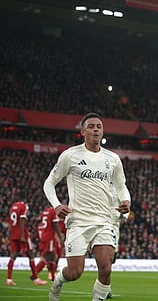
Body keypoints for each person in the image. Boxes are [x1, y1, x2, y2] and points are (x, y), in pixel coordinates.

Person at [43, 112, 132, 301]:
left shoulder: (113, 159)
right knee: (75, 272)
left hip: (104, 220)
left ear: (102, 131)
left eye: (99, 126)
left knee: (106, 268)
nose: (95, 129)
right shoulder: (70, 155)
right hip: (79, 221)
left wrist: (126, 202)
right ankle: (58, 283)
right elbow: (49, 183)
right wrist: (57, 206)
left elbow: (121, 186)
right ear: (83, 131)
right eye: (91, 126)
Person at [6, 193, 48, 286]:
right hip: (22, 234)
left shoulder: (13, 207)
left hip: (13, 234)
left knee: (13, 256)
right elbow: (22, 220)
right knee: (31, 254)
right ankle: (36, 278)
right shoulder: (24, 206)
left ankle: (9, 279)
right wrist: (22, 235)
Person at [36, 206, 64, 281]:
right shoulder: (53, 212)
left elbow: (39, 222)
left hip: (44, 238)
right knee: (49, 257)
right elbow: (55, 225)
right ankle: (35, 275)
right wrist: (60, 237)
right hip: (50, 238)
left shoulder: (45, 212)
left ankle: (52, 276)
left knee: (52, 257)